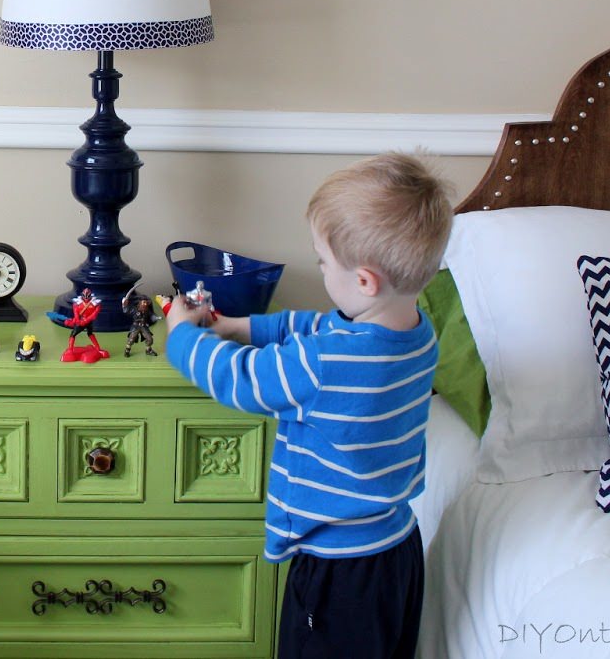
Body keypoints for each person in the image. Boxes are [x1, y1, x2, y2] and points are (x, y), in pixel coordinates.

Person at [163, 152, 451, 659]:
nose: (319, 269)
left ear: (365, 281)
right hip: (397, 551)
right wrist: (242, 327)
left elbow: (242, 380)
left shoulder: (326, 365)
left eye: (322, 260)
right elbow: (320, 327)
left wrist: (184, 338)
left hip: (339, 570)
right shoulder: (416, 334)